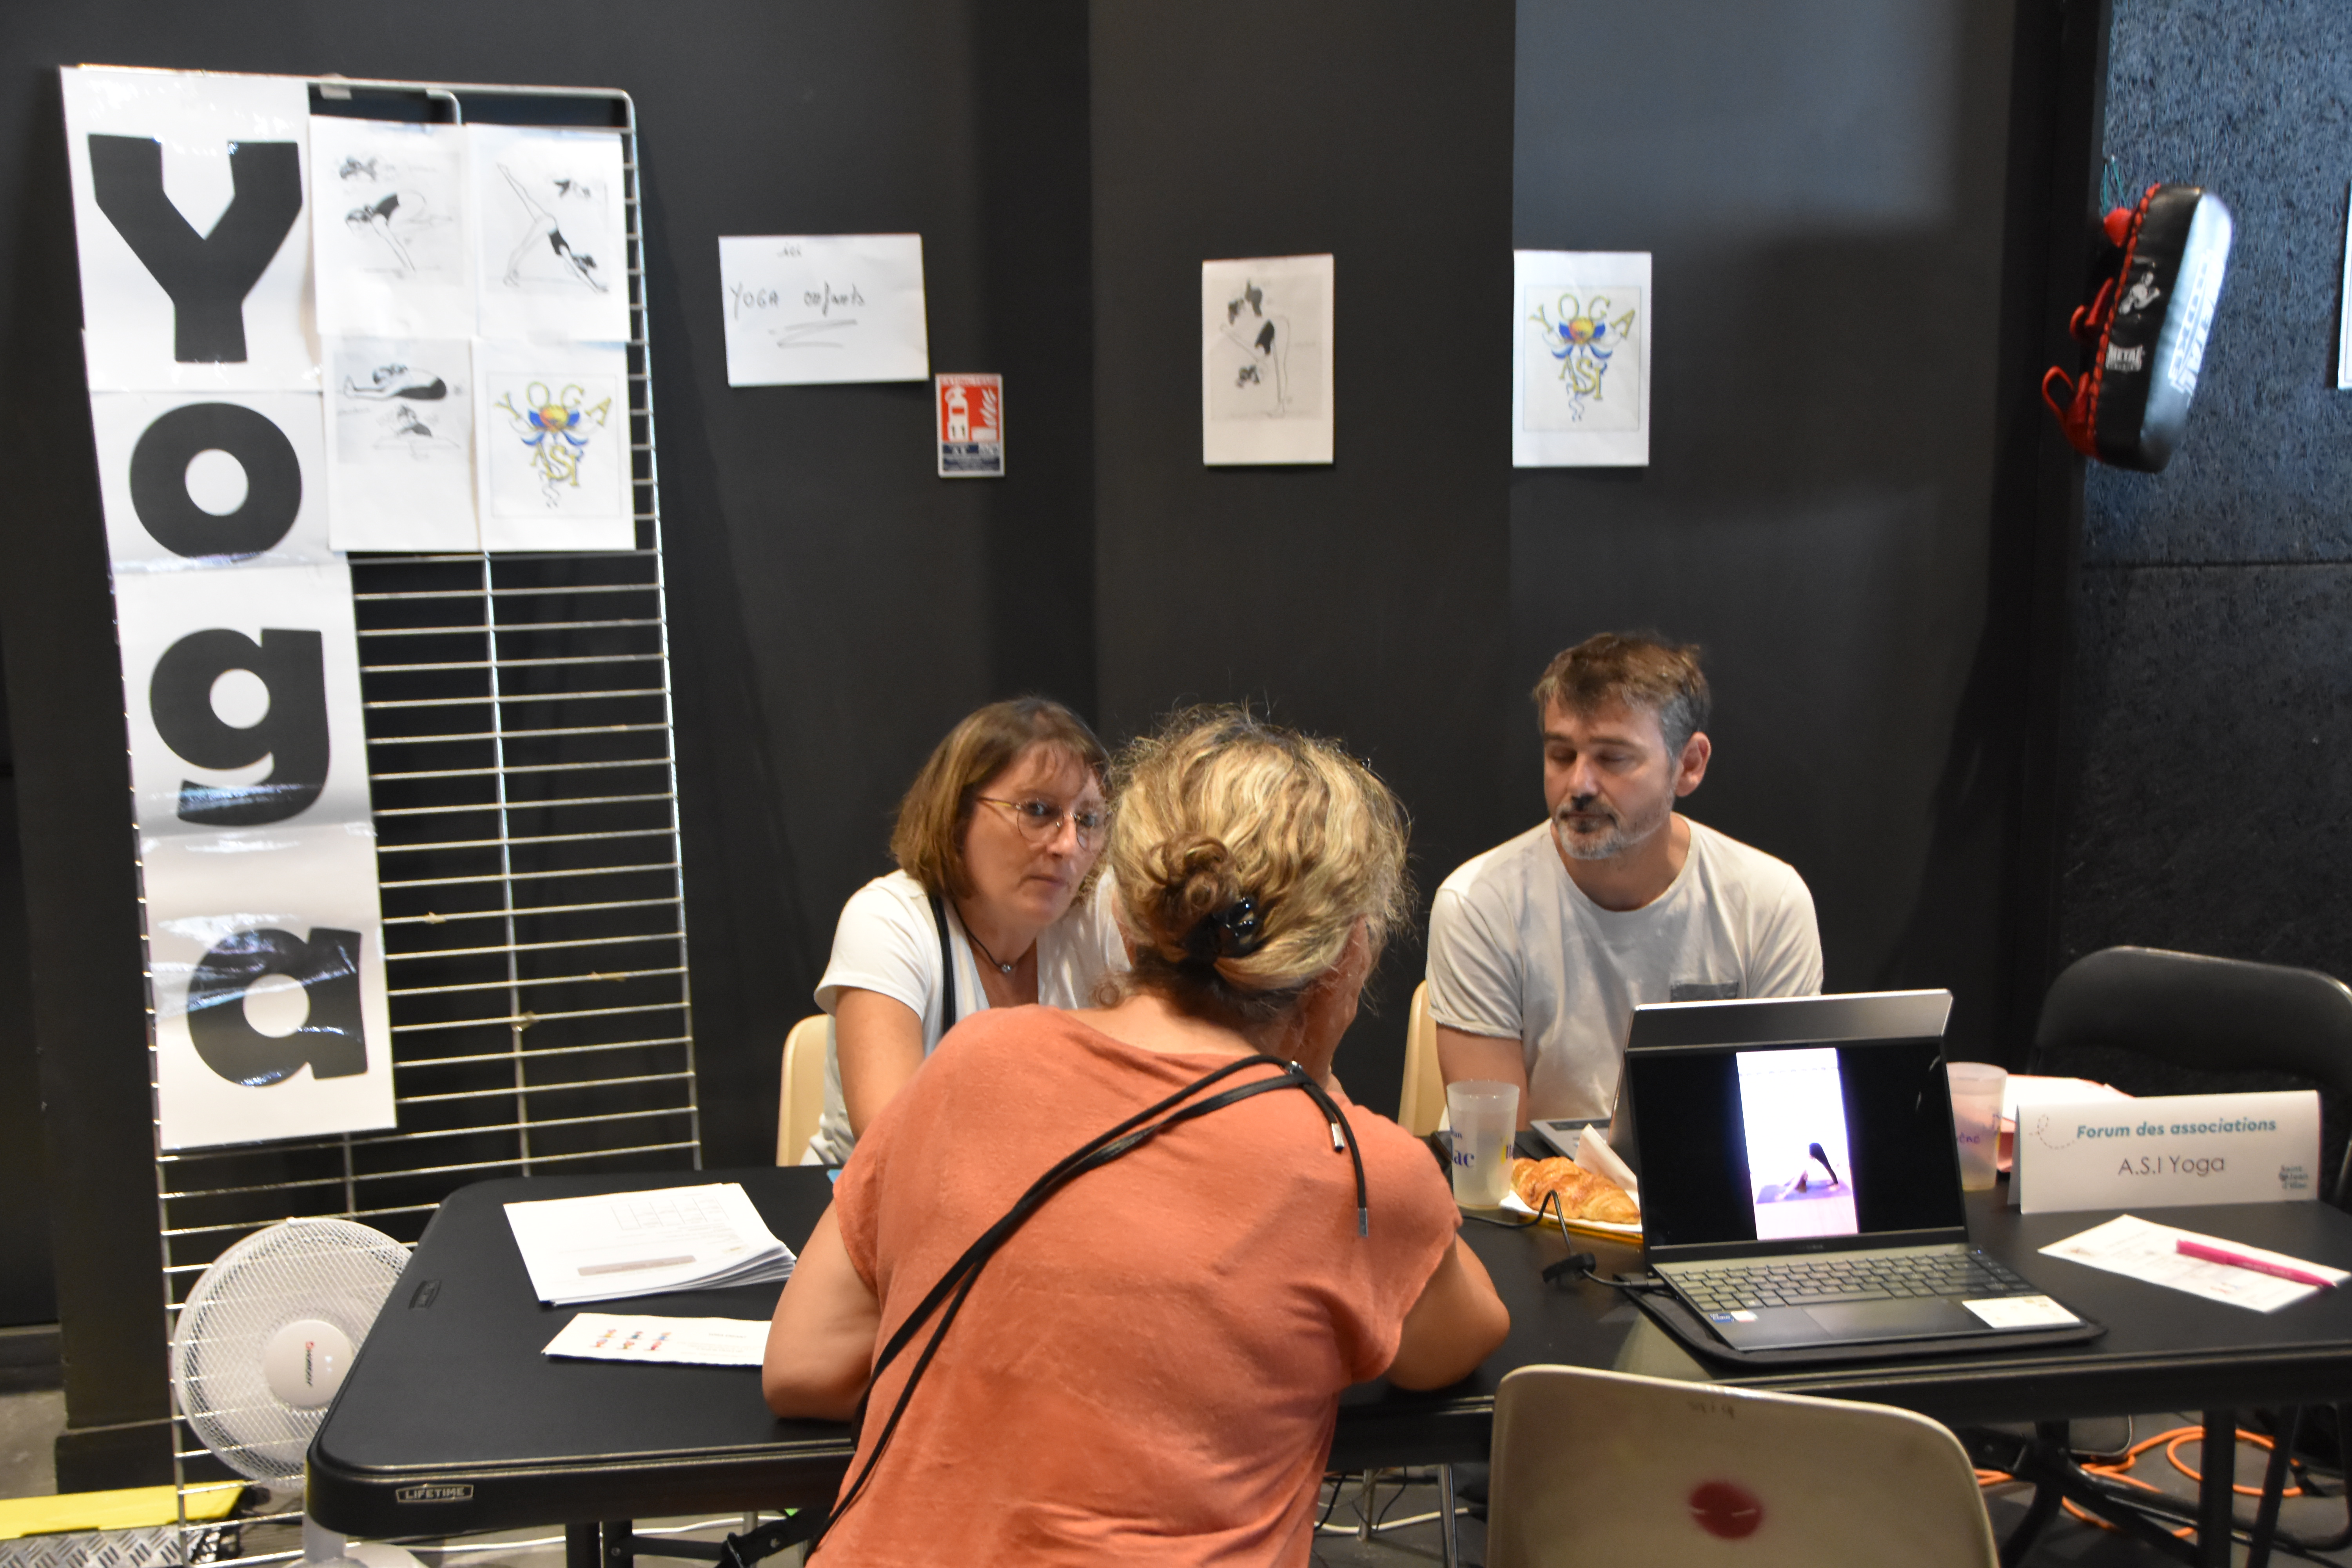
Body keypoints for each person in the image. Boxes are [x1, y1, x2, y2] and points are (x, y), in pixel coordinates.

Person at [764, 708, 1510, 1564]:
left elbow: (803, 1364)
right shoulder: (1361, 1170)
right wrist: (1317, 1072)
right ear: (1348, 954)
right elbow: (1458, 1341)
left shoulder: (967, 1063)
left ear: (1126, 920)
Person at [1427, 633, 1822, 1125]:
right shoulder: (1479, 904)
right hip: (1540, 1178)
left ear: (1689, 765)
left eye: (1613, 758)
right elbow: (1497, 1154)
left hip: (1696, 1175)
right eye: (1561, 755)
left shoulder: (1770, 902)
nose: (1579, 784)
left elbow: (1785, 1131)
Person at [801, 698, 1125, 1165]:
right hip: (870, 1198)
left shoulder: (1101, 913)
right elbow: (891, 1145)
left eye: (1089, 819)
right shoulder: (888, 920)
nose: (1069, 845)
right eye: (1038, 810)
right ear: (957, 817)